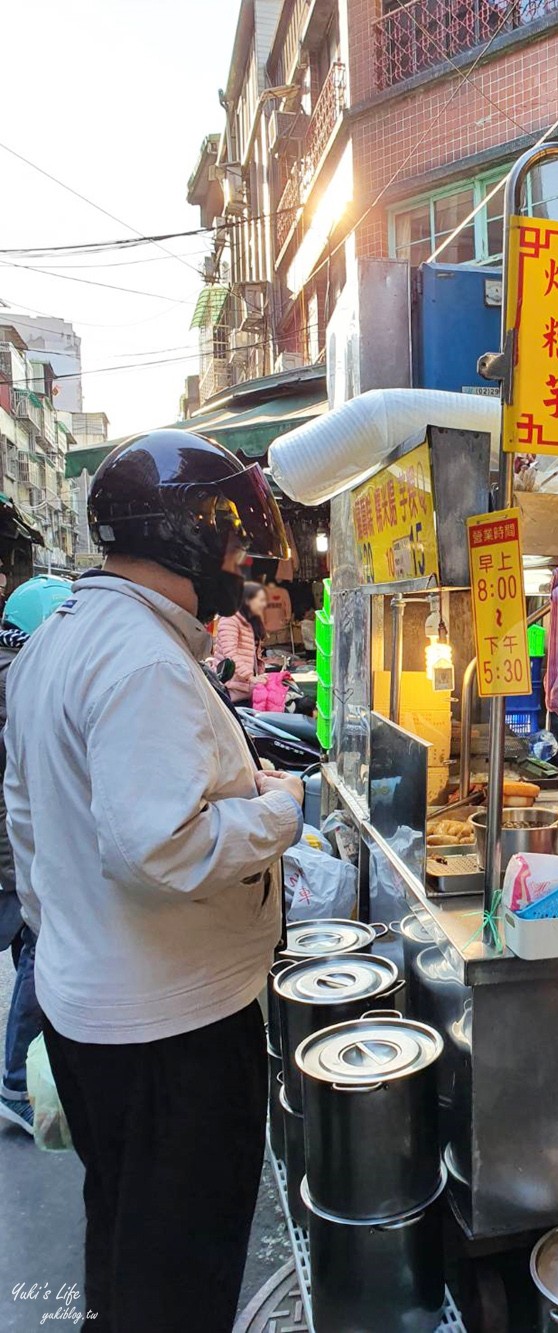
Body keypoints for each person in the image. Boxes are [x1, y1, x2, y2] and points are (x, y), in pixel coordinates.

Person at [4, 430, 304, 1333]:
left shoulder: (63, 635)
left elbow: (28, 820)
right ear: (185, 537)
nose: (240, 563)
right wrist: (278, 810)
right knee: (178, 1272)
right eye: (231, 541)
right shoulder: (141, 658)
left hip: (94, 1007)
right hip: (169, 1030)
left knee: (128, 1243)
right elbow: (158, 846)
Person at [0, 576, 73, 1133]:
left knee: (29, 946)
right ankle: (18, 1084)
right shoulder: (23, 681)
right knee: (37, 951)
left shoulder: (17, 673)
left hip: (17, 844)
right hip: (12, 849)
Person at [213, 579, 267, 702]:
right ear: (248, 600)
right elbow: (230, 655)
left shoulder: (250, 621)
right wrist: (250, 677)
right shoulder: (230, 620)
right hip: (230, 688)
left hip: (245, 688)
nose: (264, 604)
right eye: (261, 600)